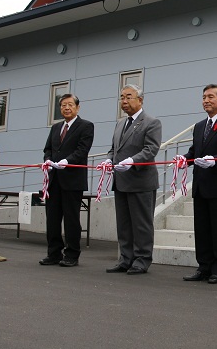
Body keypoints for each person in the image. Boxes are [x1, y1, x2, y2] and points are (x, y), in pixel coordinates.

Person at [179, 84, 217, 284]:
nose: (206, 100)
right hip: (200, 185)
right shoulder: (199, 126)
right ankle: (204, 267)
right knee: (202, 229)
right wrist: (184, 159)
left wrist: (214, 159)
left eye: (211, 97)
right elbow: (194, 151)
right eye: (204, 97)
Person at [105, 84, 162, 275]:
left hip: (140, 181)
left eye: (129, 97)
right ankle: (126, 258)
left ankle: (142, 259)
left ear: (140, 100)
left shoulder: (151, 122)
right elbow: (114, 149)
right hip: (121, 181)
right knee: (124, 224)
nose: (124, 101)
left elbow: (151, 149)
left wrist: (132, 161)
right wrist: (108, 159)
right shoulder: (120, 123)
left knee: (141, 224)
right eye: (122, 97)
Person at [40, 94, 94, 267]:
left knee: (71, 219)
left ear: (78, 107)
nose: (66, 108)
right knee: (52, 219)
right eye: (63, 105)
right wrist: (48, 160)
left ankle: (72, 254)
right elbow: (48, 148)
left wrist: (67, 161)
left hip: (72, 180)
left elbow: (82, 150)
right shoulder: (55, 128)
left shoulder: (86, 126)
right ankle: (54, 253)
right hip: (54, 180)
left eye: (70, 105)